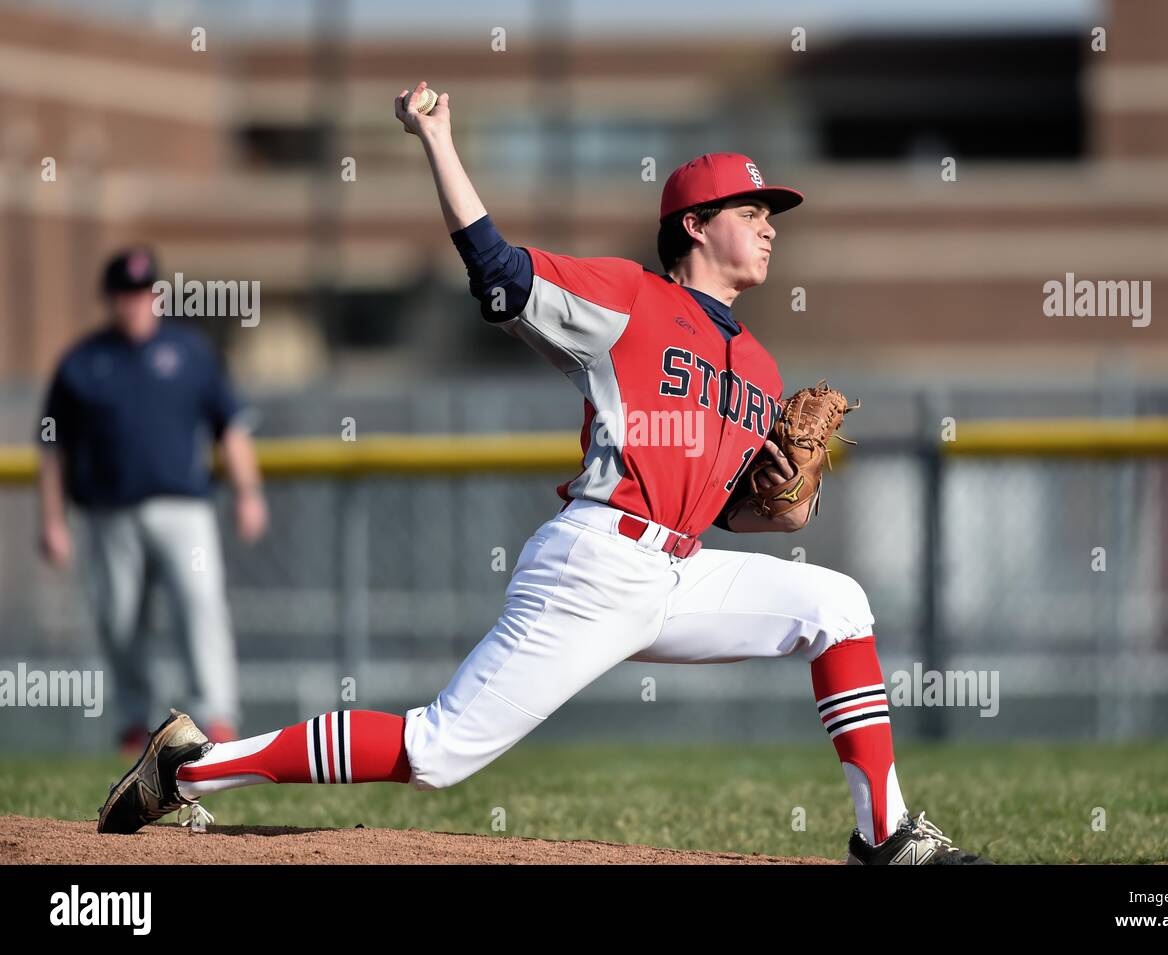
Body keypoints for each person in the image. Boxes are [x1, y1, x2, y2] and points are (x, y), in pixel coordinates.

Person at [96, 85, 989, 864]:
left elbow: (723, 511)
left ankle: (885, 836)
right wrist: (439, 141)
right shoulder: (627, 300)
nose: (767, 225)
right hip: (595, 563)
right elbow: (497, 270)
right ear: (694, 224)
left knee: (835, 604)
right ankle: (191, 765)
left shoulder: (758, 366)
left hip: (677, 568)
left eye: (771, 214)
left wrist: (786, 511)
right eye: (750, 209)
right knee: (438, 752)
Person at [38, 247, 267, 751]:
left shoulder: (190, 353)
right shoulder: (83, 362)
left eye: (143, 295)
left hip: (184, 511)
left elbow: (230, 427)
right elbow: (53, 447)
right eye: (125, 296)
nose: (135, 305)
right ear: (111, 300)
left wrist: (248, 493)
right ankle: (132, 724)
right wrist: (52, 520)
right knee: (118, 619)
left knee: (201, 605)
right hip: (107, 513)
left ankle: (215, 718)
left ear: (157, 297)